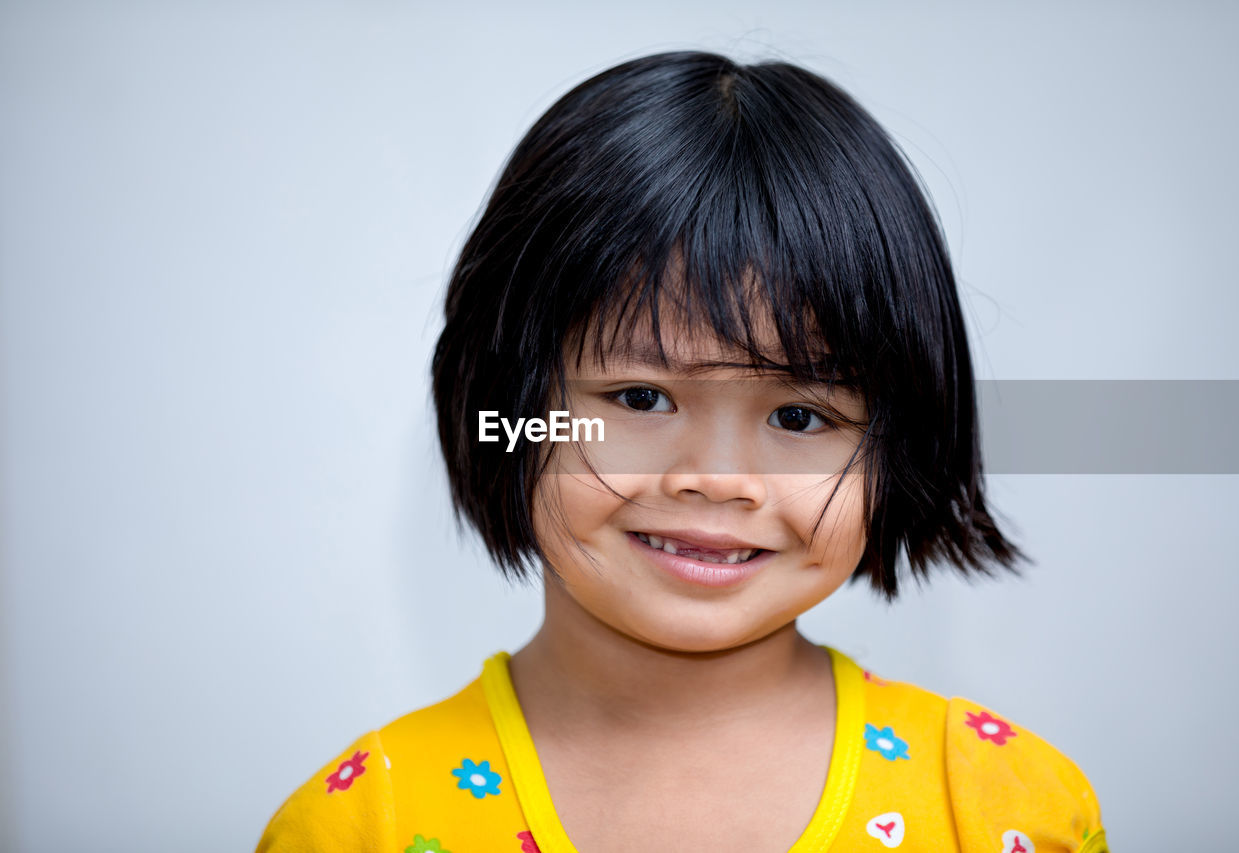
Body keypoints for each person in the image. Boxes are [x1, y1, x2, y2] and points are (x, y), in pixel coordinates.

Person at [256, 50, 1108, 852]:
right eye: (640, 398)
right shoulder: (363, 821)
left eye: (802, 415)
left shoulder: (1000, 808)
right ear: (508, 408)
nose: (718, 480)